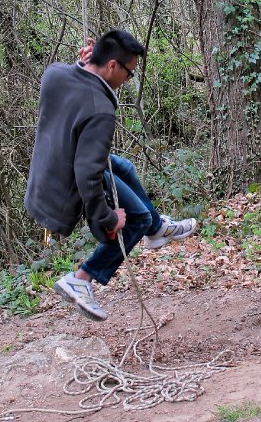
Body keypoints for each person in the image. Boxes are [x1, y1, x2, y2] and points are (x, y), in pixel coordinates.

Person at [24, 29, 196, 321]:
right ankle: (81, 278)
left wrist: (83, 66)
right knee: (136, 219)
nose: (128, 80)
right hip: (66, 188)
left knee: (125, 168)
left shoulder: (54, 74)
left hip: (45, 174)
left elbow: (74, 80)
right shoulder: (100, 110)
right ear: (112, 65)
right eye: (129, 73)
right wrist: (108, 218)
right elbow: (88, 175)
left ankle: (157, 230)